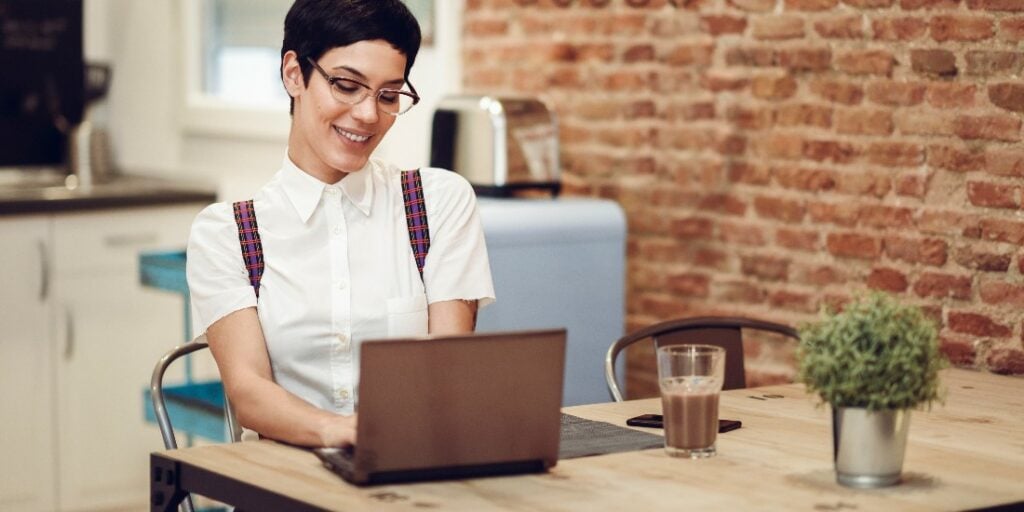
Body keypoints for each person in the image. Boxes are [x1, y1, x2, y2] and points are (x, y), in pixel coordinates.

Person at [185, 0, 495, 448]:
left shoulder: (437, 204)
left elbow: (447, 368)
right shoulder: (228, 233)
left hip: (406, 472)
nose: (369, 115)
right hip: (284, 482)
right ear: (294, 74)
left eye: (388, 95)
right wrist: (342, 432)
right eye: (347, 86)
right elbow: (248, 393)